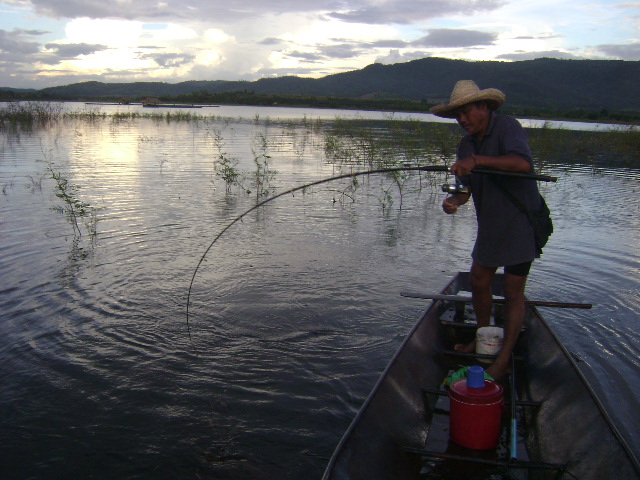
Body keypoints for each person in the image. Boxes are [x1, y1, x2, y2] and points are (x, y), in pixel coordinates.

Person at [430, 80, 543, 381]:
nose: (463, 120)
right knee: (479, 281)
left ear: (485, 107)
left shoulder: (507, 127)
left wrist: (478, 160)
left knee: (512, 292)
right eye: (458, 116)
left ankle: (503, 358)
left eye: (467, 113)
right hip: (491, 226)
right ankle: (481, 340)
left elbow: (522, 164)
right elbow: (465, 191)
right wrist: (454, 200)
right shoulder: (465, 146)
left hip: (520, 223)